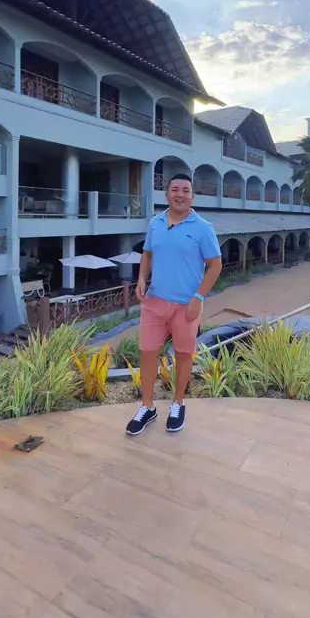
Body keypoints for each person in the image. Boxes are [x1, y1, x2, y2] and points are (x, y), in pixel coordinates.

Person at [126, 173, 222, 435]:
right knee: (147, 352)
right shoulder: (155, 223)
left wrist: (198, 298)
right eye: (175, 189)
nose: (180, 194)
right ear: (167, 194)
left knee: (183, 355)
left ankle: (178, 403)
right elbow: (147, 254)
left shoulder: (203, 228)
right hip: (154, 302)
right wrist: (141, 279)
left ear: (192, 197)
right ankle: (147, 407)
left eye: (185, 190)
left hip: (186, 306)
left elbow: (215, 266)